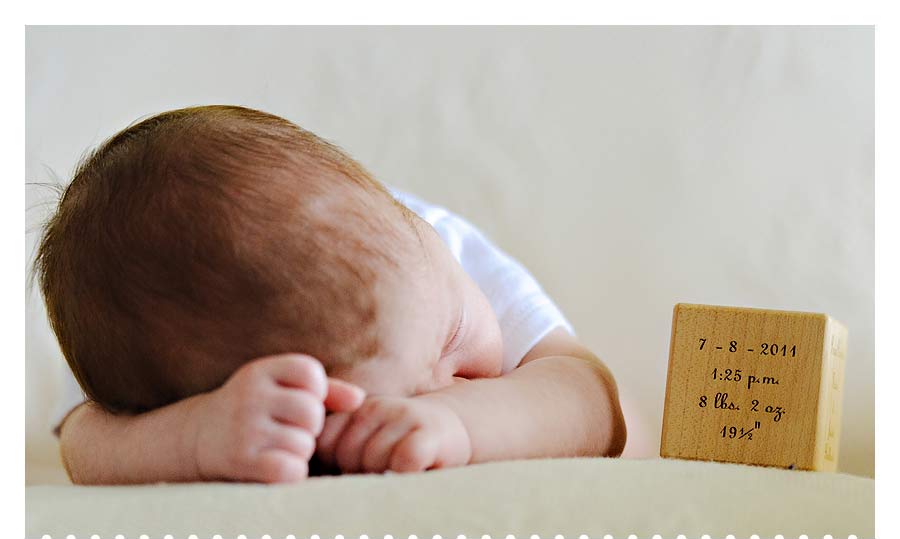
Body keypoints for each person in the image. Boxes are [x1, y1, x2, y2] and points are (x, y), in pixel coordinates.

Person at [35, 105, 626, 484]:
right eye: (359, 414)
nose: (465, 376)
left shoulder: (432, 249)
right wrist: (198, 435)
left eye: (453, 334)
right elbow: (84, 439)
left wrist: (457, 423)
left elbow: (595, 402)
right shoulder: (140, 334)